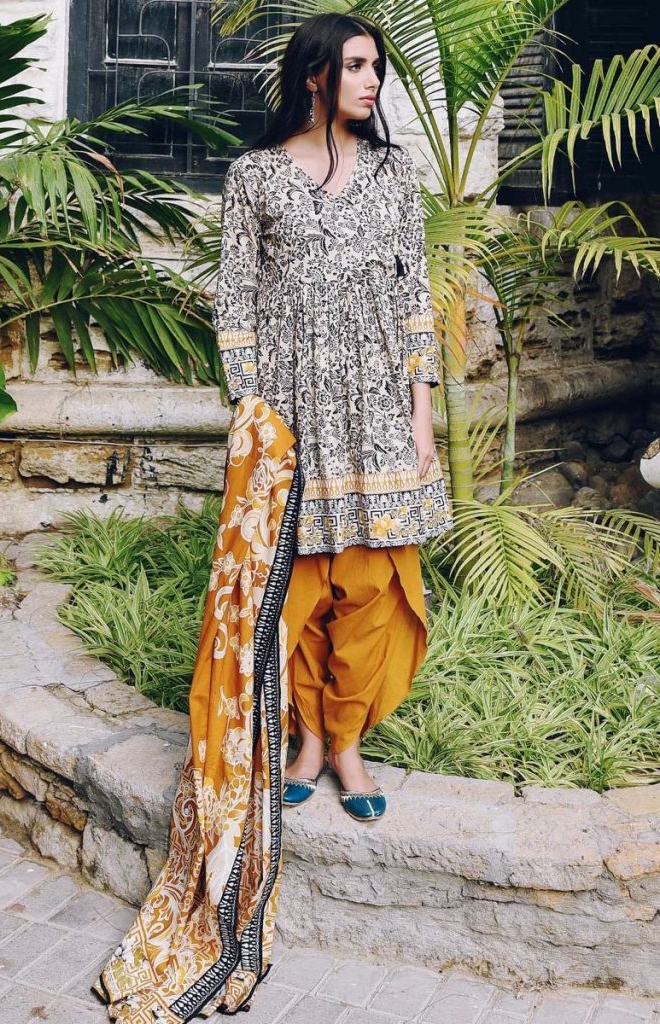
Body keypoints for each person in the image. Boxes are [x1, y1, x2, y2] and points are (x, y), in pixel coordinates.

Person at [213, 11, 454, 822]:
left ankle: (347, 740)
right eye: (355, 66)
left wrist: (420, 415)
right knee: (299, 586)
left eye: (375, 67)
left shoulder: (393, 171)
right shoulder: (254, 176)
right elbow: (234, 300)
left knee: (372, 582)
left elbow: (414, 298)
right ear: (314, 74)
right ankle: (310, 740)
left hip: (379, 405)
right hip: (291, 407)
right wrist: (252, 410)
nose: (371, 80)